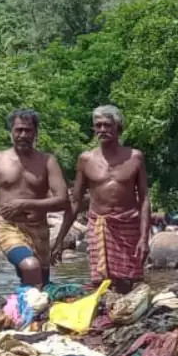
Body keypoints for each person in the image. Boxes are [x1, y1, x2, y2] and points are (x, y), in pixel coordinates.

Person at [0, 109, 71, 289]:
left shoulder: (47, 161)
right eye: (18, 130)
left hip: (39, 229)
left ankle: (27, 311)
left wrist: (24, 204)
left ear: (36, 133)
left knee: (41, 283)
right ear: (11, 131)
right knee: (29, 266)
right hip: (8, 226)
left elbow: (63, 200)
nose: (23, 135)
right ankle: (29, 308)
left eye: (28, 130)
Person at [62, 105, 150, 292]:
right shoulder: (86, 159)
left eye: (107, 125)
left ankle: (126, 316)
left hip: (128, 223)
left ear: (118, 127)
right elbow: (76, 201)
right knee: (100, 283)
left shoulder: (135, 157)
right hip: (99, 224)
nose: (102, 130)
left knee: (129, 282)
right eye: (98, 126)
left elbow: (144, 199)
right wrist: (60, 238)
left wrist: (144, 238)